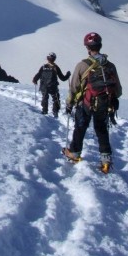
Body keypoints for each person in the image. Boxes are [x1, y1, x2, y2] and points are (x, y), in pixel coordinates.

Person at [62, 32, 122, 174]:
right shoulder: (110, 66)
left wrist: (69, 103)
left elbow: (74, 86)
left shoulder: (83, 65)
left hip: (86, 103)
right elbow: (118, 89)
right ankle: (105, 159)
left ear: (87, 48)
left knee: (80, 127)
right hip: (104, 103)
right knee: (101, 129)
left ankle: (75, 153)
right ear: (100, 46)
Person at [32, 53, 71, 117]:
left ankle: (44, 111)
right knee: (56, 98)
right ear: (54, 59)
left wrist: (35, 80)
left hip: (43, 86)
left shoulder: (43, 66)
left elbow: (38, 74)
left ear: (48, 58)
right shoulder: (55, 67)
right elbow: (62, 78)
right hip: (52, 86)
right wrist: (68, 74)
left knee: (45, 98)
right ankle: (55, 112)